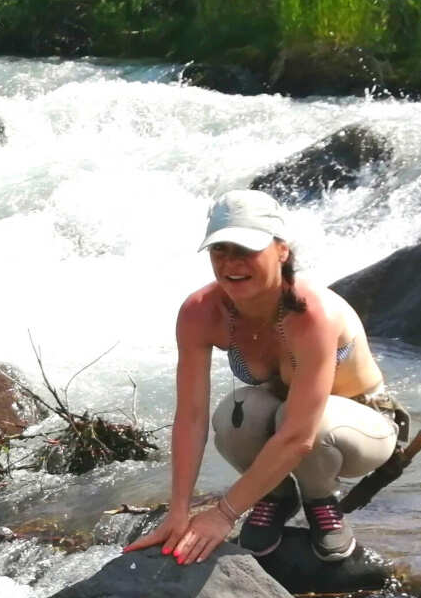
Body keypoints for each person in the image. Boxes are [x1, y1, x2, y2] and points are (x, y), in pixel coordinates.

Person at [124, 188, 401, 566]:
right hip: (289, 419)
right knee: (232, 418)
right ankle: (276, 495)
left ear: (281, 250)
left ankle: (321, 502)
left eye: (246, 249)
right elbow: (190, 416)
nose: (231, 263)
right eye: (220, 250)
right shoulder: (199, 312)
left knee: (305, 425)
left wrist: (223, 513)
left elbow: (299, 436)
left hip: (359, 427)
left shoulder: (312, 315)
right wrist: (179, 512)